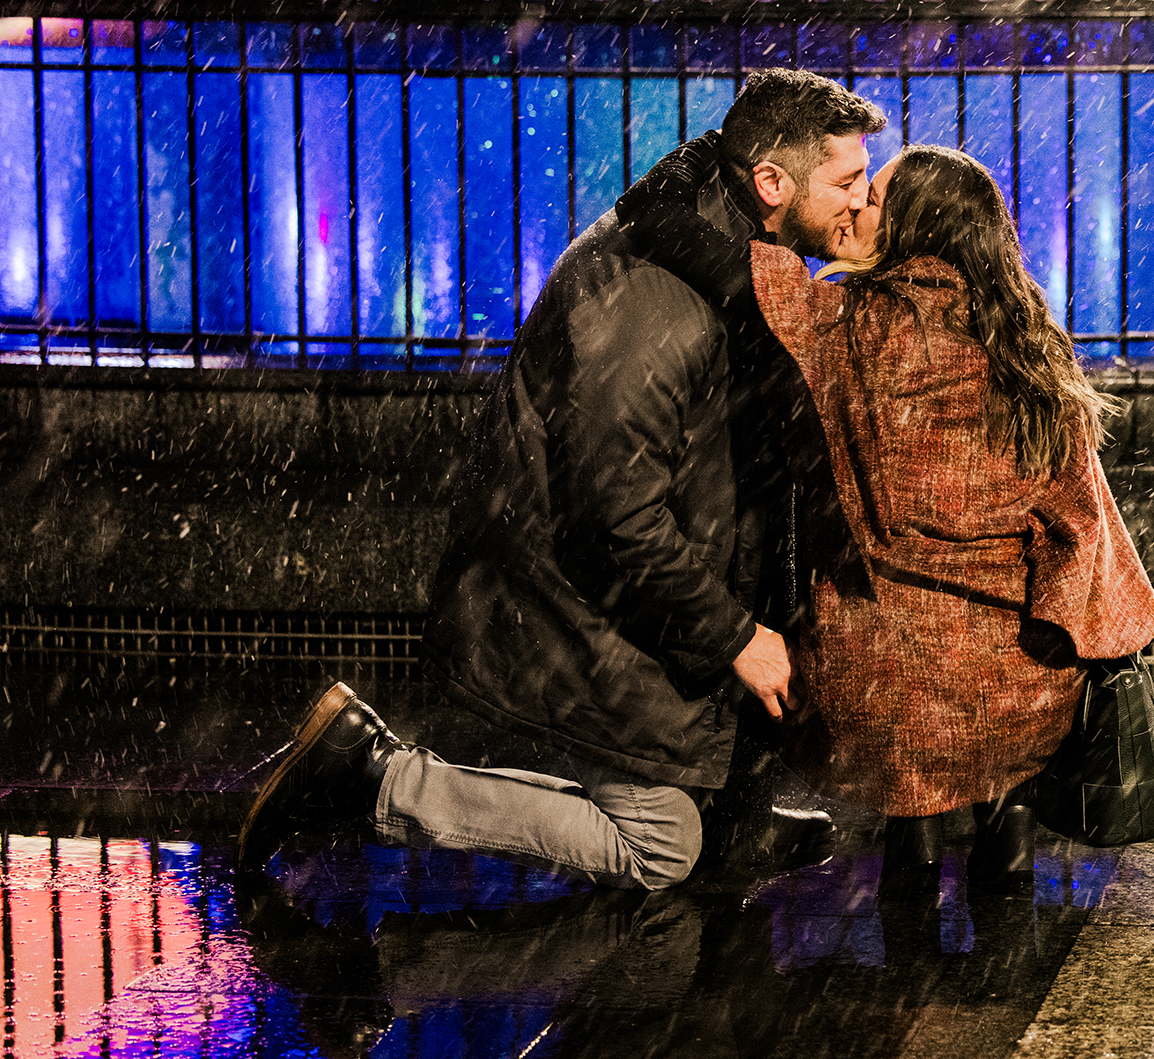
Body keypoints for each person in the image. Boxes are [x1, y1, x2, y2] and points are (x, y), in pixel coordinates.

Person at [238, 70, 890, 890]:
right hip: (567, 601)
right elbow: (613, 516)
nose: (863, 201)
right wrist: (730, 635)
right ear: (770, 182)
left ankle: (731, 819)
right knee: (660, 847)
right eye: (846, 182)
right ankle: (370, 774)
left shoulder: (720, 255)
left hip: (619, 589)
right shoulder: (656, 302)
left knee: (711, 781)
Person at [652, 143, 1154, 891]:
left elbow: (684, 240)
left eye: (876, 198)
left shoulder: (842, 324)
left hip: (880, 687)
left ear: (914, 230)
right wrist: (1075, 632)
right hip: (1017, 687)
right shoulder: (1025, 344)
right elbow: (1080, 524)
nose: (857, 203)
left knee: (909, 731)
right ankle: (1007, 879)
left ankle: (910, 907)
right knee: (1005, 737)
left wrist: (708, 161)